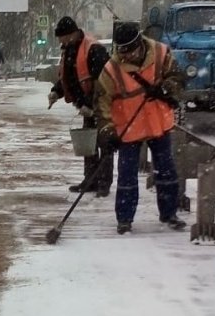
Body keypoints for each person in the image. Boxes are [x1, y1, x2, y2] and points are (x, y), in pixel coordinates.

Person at [95, 22, 186, 235]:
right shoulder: (111, 69)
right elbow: (101, 104)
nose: (125, 56)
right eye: (121, 51)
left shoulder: (161, 53)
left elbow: (179, 78)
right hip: (128, 128)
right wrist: (109, 132)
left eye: (129, 50)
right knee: (127, 176)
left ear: (139, 43)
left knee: (166, 171)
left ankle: (169, 213)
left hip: (158, 123)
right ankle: (125, 219)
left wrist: (165, 88)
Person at [48, 16, 113, 196]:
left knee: (104, 143)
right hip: (85, 105)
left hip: (102, 106)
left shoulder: (93, 49)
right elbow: (68, 77)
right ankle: (90, 179)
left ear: (72, 34)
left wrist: (89, 104)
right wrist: (56, 91)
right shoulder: (69, 50)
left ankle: (104, 183)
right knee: (89, 143)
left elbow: (103, 82)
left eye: (61, 37)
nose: (60, 41)